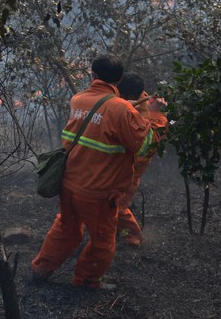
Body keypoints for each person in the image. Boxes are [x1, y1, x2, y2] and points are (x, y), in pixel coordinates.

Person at [31, 54, 167, 290]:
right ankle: (86, 280)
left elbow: (103, 117)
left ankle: (41, 269)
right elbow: (145, 146)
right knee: (103, 240)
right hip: (97, 192)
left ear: (93, 74)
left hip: (69, 183)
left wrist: (130, 109)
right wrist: (155, 115)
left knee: (66, 229)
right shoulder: (121, 109)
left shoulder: (78, 99)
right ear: (120, 78)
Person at [115, 71, 167, 247]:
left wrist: (155, 114)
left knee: (118, 206)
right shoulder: (140, 99)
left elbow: (147, 146)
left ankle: (133, 237)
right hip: (121, 168)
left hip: (130, 170)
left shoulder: (145, 113)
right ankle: (115, 232)